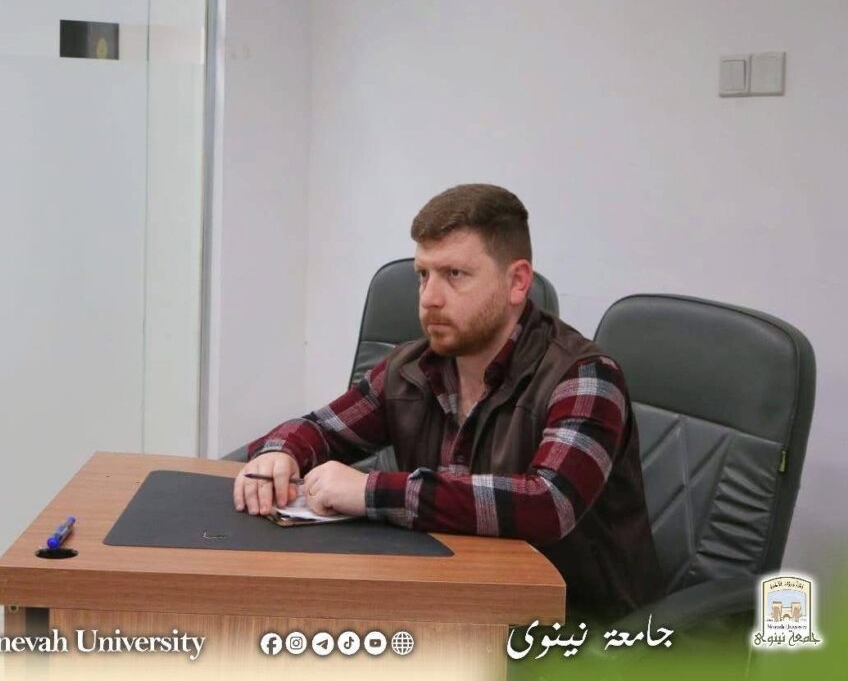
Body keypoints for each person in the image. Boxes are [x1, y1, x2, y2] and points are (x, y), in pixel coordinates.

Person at [232, 183, 663, 620]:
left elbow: (548, 504)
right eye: (423, 275)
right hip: (449, 603)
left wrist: (370, 491)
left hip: (569, 626)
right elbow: (323, 429)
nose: (429, 298)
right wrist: (280, 452)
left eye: (454, 274)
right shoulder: (412, 366)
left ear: (517, 282)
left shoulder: (584, 376)